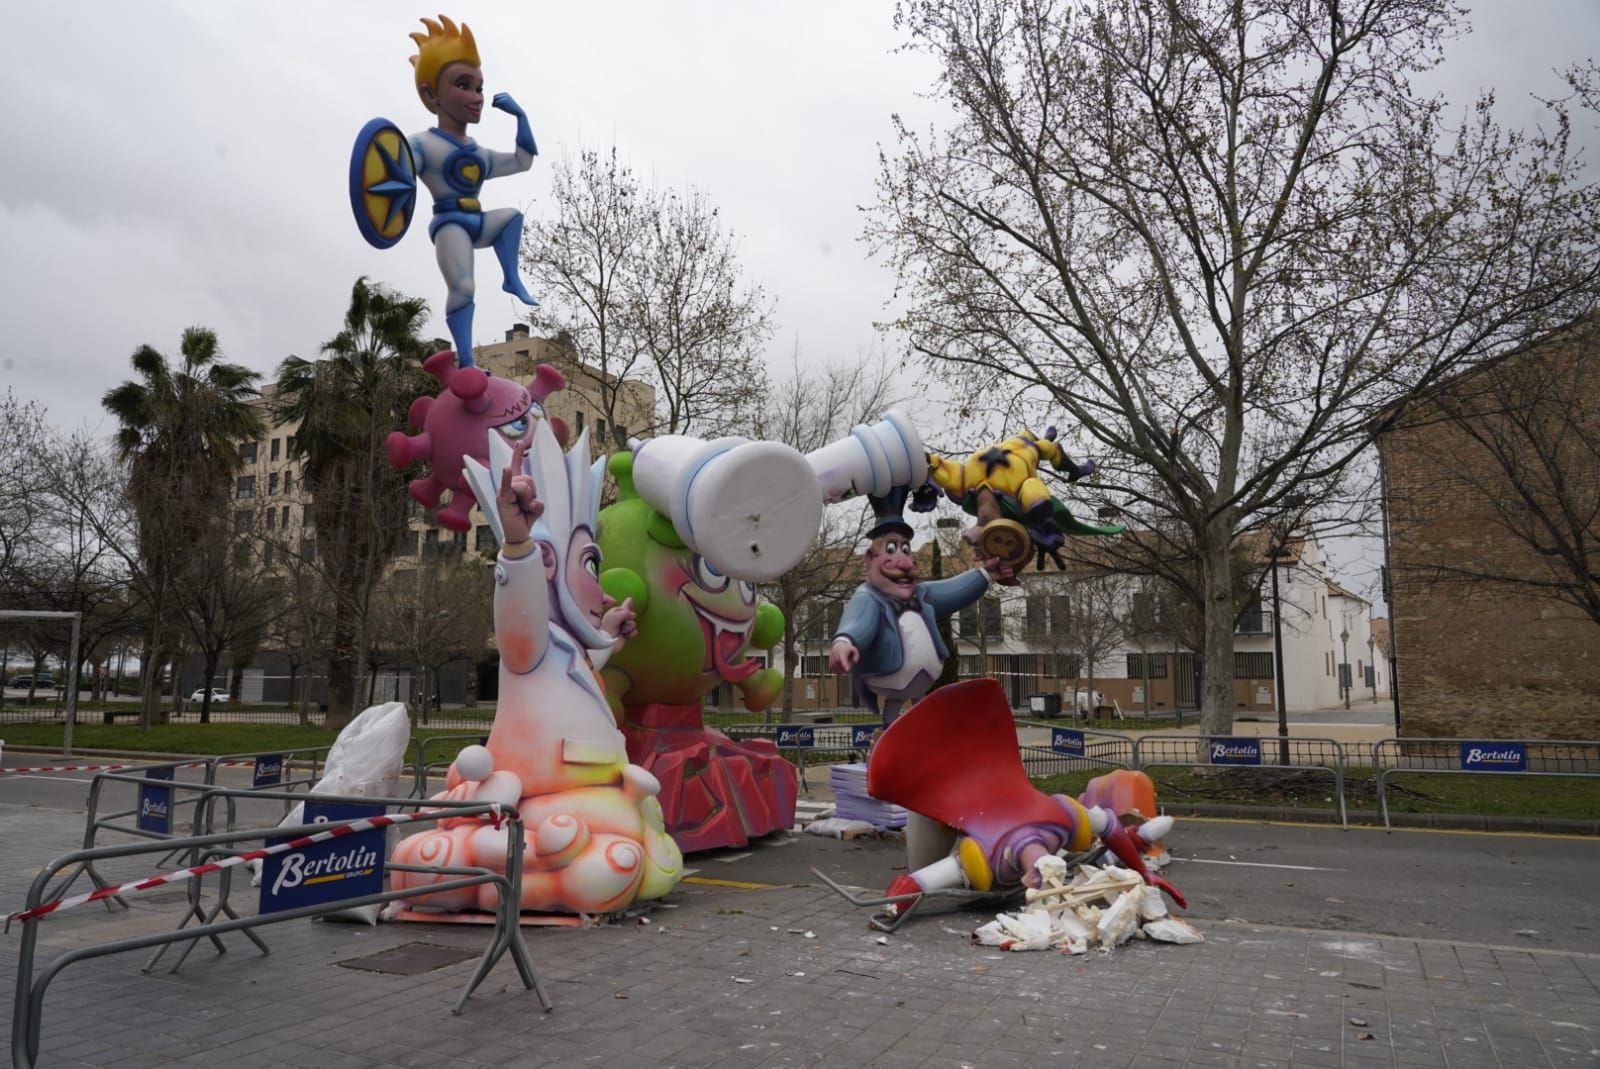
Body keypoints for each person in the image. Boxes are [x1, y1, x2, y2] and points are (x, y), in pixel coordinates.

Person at [828, 488, 1013, 868]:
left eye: (906, 551)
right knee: (904, 751)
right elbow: (857, 623)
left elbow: (953, 590)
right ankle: (907, 791)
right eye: (891, 549)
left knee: (929, 755)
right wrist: (844, 643)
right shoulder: (870, 598)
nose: (903, 560)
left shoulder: (921, 594)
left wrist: (984, 574)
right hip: (886, 682)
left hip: (919, 692)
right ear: (871, 557)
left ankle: (943, 832)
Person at [407, 15, 540, 366]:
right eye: (463, 85)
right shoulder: (421, 145)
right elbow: (395, 170)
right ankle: (466, 361)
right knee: (464, 287)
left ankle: (511, 278)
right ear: (430, 94)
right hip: (450, 224)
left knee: (511, 217)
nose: (476, 97)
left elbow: (523, 160)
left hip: (477, 222)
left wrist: (521, 117)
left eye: (479, 87)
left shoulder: (479, 153)